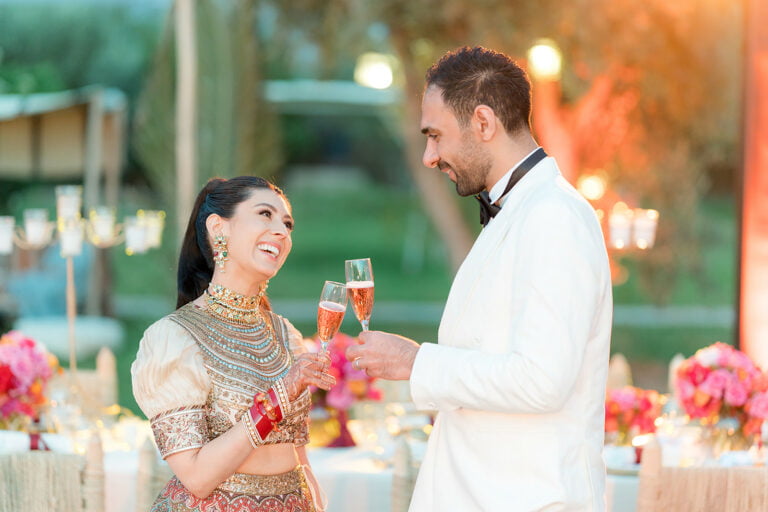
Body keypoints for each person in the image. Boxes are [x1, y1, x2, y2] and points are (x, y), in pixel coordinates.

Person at [346, 46, 613, 511]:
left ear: (484, 124)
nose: (429, 156)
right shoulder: (519, 212)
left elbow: (542, 380)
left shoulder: (554, 217)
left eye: (436, 136)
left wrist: (416, 362)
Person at [132, 176, 334, 512]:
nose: (282, 232)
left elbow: (299, 457)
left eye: (287, 223)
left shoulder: (285, 335)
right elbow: (196, 477)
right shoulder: (173, 338)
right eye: (265, 215)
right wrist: (280, 394)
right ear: (218, 229)